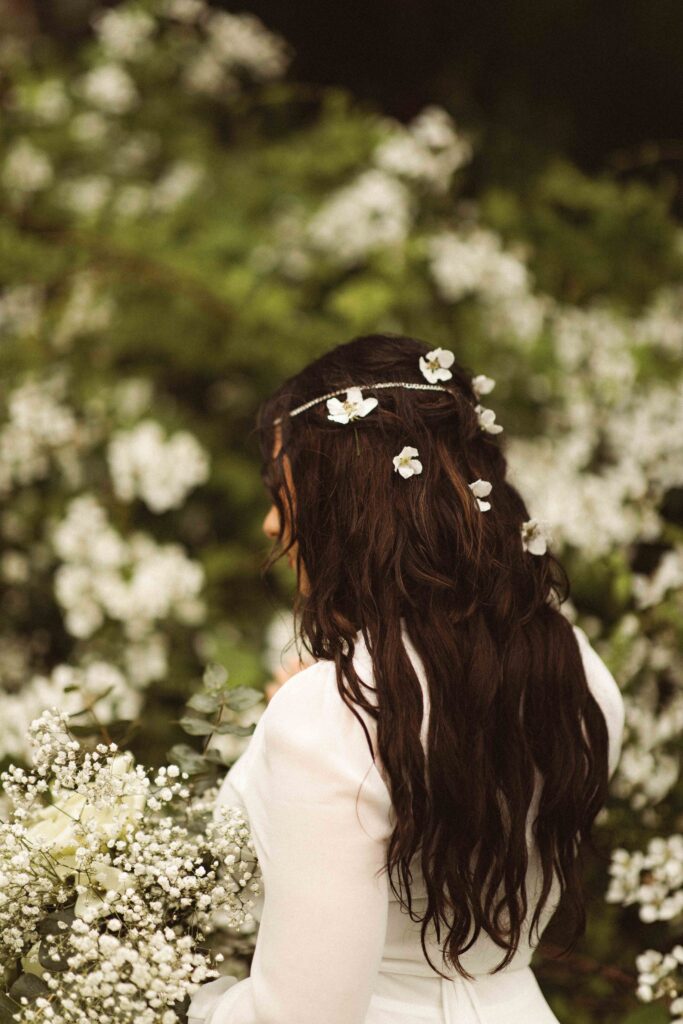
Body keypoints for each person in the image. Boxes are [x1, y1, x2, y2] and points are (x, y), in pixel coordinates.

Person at [188, 333, 625, 1024]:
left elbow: (300, 1016)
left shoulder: (330, 715)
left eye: (282, 490)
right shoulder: (581, 675)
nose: (272, 521)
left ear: (346, 506)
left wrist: (174, 1000)